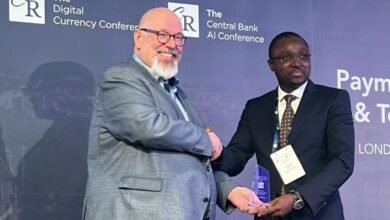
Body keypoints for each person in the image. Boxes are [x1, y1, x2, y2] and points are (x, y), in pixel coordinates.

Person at [82, 7, 264, 220]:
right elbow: (145, 126)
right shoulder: (121, 78)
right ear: (138, 37)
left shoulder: (178, 94)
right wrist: (206, 139)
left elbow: (190, 155)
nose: (171, 44)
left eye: (178, 37)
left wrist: (228, 190)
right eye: (161, 34)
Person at [213, 32, 355, 219]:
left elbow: (342, 162)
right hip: (269, 213)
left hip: (318, 214)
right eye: (286, 57)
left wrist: (297, 197)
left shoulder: (333, 100)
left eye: (304, 56)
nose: (297, 62)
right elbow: (237, 157)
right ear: (271, 64)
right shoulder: (256, 107)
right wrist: (215, 151)